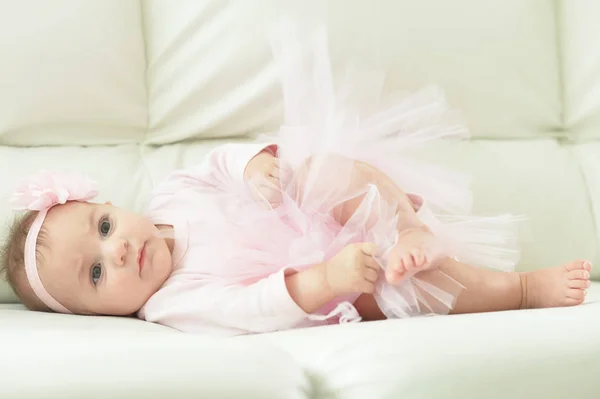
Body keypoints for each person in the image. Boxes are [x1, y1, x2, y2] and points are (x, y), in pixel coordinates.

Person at [0, 23, 592, 336]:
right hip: (330, 275)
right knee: (393, 291)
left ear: (109, 204)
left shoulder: (171, 194)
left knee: (316, 170)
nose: (120, 249)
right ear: (98, 316)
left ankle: (408, 223)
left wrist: (257, 166)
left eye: (103, 227)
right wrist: (326, 278)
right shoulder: (174, 304)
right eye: (97, 273)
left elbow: (222, 164)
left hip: (315, 211)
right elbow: (255, 306)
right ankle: (519, 290)